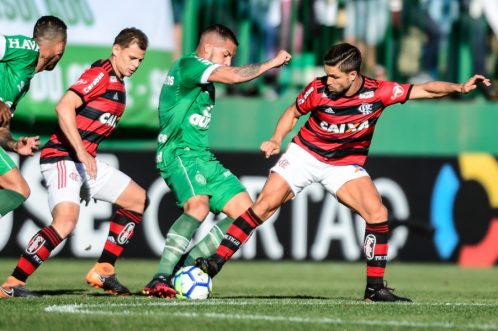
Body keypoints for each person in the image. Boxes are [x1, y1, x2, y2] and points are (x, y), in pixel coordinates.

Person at [196, 43, 491, 302]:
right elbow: (293, 113)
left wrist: (459, 87)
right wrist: (276, 139)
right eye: (327, 74)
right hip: (305, 155)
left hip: (344, 165)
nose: (329, 80)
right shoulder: (318, 89)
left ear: (353, 75)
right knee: (264, 205)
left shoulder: (379, 92)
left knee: (378, 213)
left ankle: (374, 290)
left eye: (335, 76)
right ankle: (215, 263)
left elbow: (424, 89)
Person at [142, 23, 291, 298]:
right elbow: (234, 77)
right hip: (178, 151)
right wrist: (271, 63)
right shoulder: (190, 64)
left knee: (248, 214)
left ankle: (186, 268)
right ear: (208, 48)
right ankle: (159, 277)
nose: (229, 61)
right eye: (227, 54)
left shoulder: (203, 74)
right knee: (198, 207)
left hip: (202, 155)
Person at [0, 28, 149, 298]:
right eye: (132, 57)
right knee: (66, 222)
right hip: (63, 157)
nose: (135, 65)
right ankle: (12, 283)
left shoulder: (118, 83)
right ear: (116, 50)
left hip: (84, 161)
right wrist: (80, 152)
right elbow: (64, 106)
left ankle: (104, 269)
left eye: (140, 60)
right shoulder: (100, 75)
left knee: (137, 199)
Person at [0, 16, 67, 222]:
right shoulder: (27, 49)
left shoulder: (23, 80)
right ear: (60, 48)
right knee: (18, 187)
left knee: (19, 190)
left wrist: (13, 144)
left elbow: (2, 130)